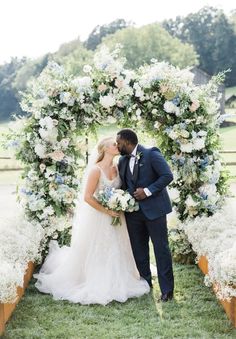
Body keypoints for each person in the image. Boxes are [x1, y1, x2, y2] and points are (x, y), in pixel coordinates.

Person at [34, 137, 150, 305]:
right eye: (114, 144)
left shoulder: (117, 167)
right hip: (100, 216)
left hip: (117, 216)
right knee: (99, 248)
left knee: (118, 247)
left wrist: (120, 202)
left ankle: (121, 276)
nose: (118, 146)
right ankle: (96, 279)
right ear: (104, 148)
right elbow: (88, 197)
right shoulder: (96, 170)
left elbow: (121, 190)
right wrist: (108, 210)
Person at [116, 129, 174, 302]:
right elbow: (125, 185)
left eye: (118, 143)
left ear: (127, 142)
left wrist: (148, 191)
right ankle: (145, 284)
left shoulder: (151, 153)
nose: (117, 146)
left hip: (155, 211)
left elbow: (167, 176)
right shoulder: (122, 160)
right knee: (139, 250)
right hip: (133, 213)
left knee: (161, 249)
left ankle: (167, 290)